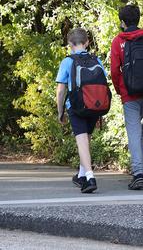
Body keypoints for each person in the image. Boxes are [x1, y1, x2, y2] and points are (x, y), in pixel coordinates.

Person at [110, 3, 143, 190]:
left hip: (129, 93)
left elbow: (115, 72)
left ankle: (138, 173)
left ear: (123, 22)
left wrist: (120, 90)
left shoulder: (118, 42)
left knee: (134, 132)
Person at [56, 28, 110, 194]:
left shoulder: (67, 61)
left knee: (81, 141)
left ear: (70, 44)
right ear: (87, 42)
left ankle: (90, 177)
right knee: (86, 139)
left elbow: (60, 90)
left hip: (77, 106)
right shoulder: (96, 60)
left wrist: (60, 112)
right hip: (95, 105)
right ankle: (81, 175)